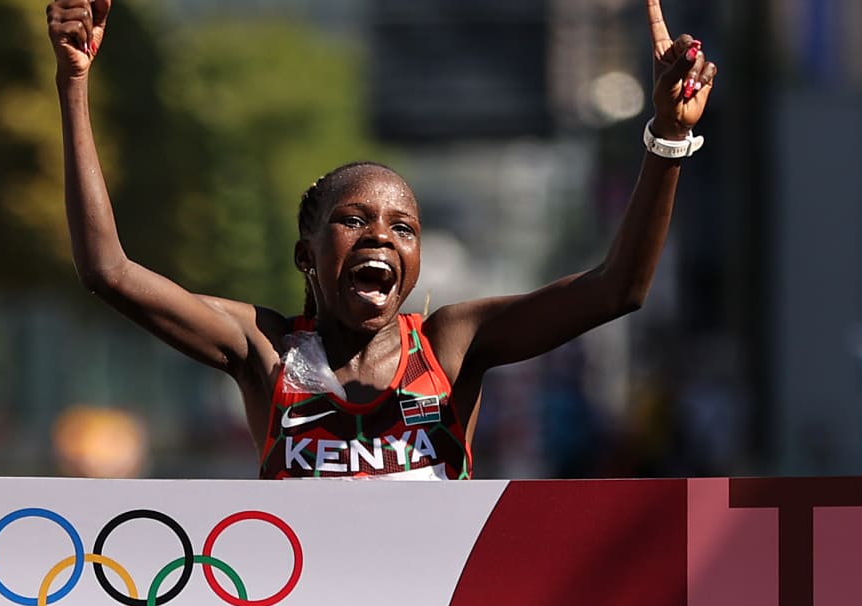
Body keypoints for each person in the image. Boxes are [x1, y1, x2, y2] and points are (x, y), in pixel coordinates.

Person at [46, 0, 717, 480]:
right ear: (307, 256)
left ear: (417, 261)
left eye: (403, 228)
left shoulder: (454, 345)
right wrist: (74, 82)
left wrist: (667, 141)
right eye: (354, 219)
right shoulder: (265, 351)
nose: (381, 237)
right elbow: (108, 270)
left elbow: (618, 291)